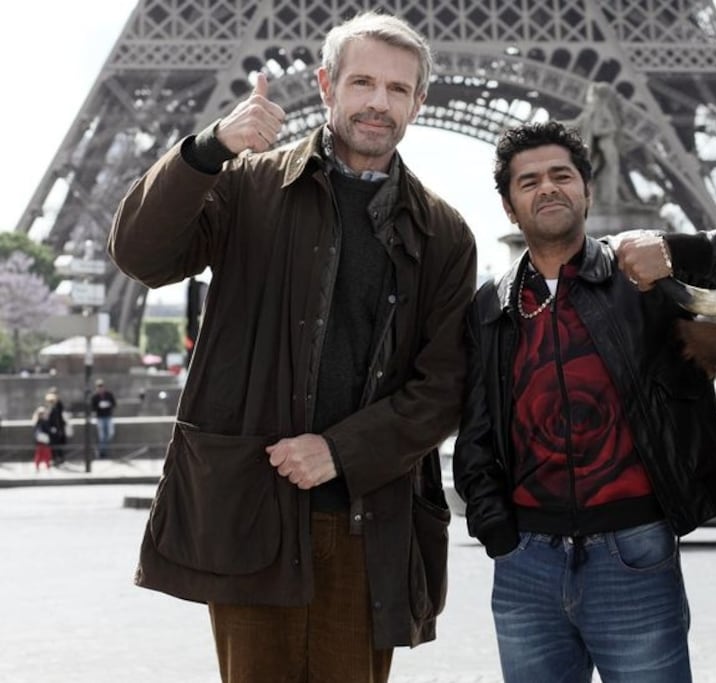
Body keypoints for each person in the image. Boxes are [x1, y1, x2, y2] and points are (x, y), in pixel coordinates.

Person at [109, 11, 477, 682]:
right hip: (255, 512)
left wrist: (339, 450)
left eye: (397, 89)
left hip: (369, 521)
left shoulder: (444, 233)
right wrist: (208, 150)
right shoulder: (245, 183)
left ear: (418, 102)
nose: (377, 102)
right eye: (362, 82)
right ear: (325, 84)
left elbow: (446, 385)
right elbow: (141, 255)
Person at [454, 120, 716, 682]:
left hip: (633, 551)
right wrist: (497, 533)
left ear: (587, 189)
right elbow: (477, 424)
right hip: (525, 561)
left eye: (562, 175)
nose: (548, 188)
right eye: (528, 181)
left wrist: (676, 248)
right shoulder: (492, 303)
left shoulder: (643, 279)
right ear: (510, 209)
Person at [90, 378, 117, 459]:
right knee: (102, 436)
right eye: (99, 386)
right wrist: (99, 406)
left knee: (110, 434)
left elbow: (114, 404)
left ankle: (103, 450)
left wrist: (108, 404)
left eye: (101, 386)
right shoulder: (95, 396)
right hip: (100, 417)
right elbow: (93, 408)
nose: (100, 388)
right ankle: (102, 453)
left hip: (108, 416)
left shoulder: (109, 394)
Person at [44, 389, 67, 467]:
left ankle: (58, 459)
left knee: (56, 446)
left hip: (55, 431)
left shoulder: (54, 409)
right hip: (53, 431)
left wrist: (56, 429)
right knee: (54, 446)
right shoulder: (50, 409)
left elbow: (56, 421)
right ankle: (56, 459)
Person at [32, 406, 54, 472]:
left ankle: (41, 466)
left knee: (41, 454)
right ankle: (45, 466)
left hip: (40, 441)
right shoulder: (43, 421)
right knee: (44, 454)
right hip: (44, 441)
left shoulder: (36, 421)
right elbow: (48, 430)